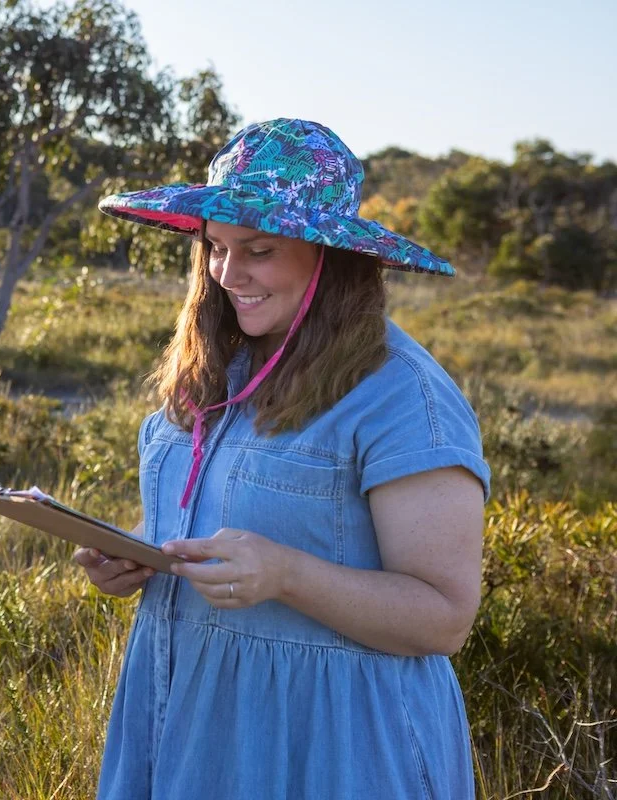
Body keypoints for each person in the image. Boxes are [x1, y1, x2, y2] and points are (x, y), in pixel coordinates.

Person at [72, 119, 489, 799]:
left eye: (258, 249)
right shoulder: (213, 371)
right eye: (215, 247)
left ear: (330, 256)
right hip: (188, 731)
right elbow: (213, 525)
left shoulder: (401, 397)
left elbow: (444, 616)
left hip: (335, 750)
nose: (228, 274)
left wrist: (288, 574)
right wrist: (138, 560)